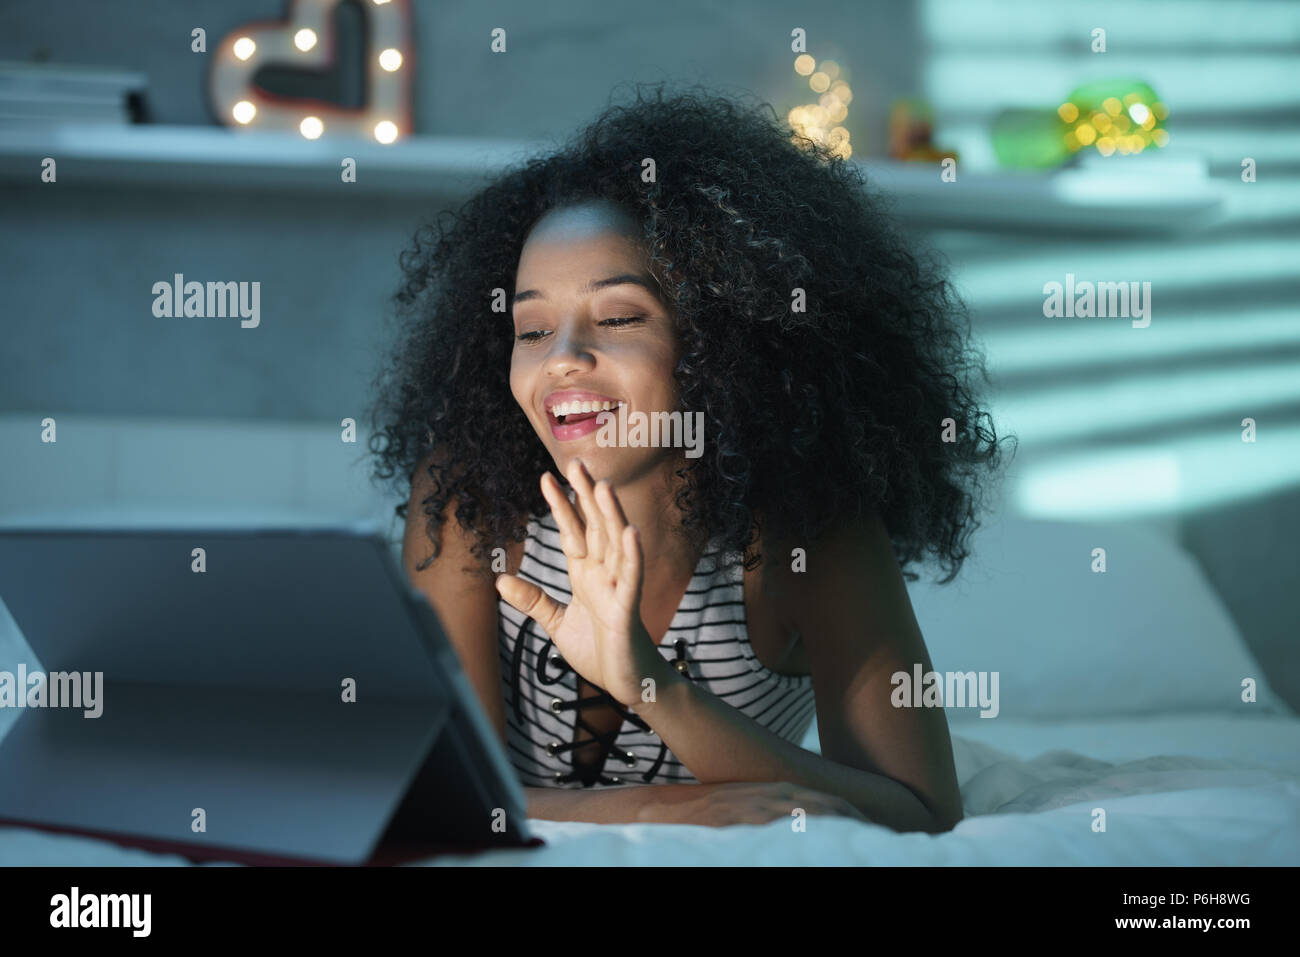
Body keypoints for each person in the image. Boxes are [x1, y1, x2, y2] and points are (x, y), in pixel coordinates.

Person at [368, 83, 1004, 832]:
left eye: (618, 316)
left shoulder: (810, 532)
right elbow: (449, 796)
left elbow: (923, 807)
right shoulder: (468, 498)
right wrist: (678, 806)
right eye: (533, 329)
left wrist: (649, 684)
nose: (564, 359)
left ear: (721, 340)